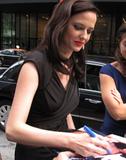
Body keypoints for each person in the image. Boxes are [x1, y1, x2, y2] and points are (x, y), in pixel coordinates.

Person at [5, 0, 111, 159]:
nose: (84, 36)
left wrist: (76, 141)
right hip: (34, 154)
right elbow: (13, 130)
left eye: (89, 31)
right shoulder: (35, 65)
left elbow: (65, 113)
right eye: (78, 27)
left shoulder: (72, 64)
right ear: (60, 24)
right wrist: (71, 140)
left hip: (62, 152)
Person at [100, 23, 126, 137]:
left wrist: (123, 106)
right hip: (113, 138)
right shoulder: (108, 71)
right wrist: (120, 108)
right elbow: (118, 113)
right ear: (119, 44)